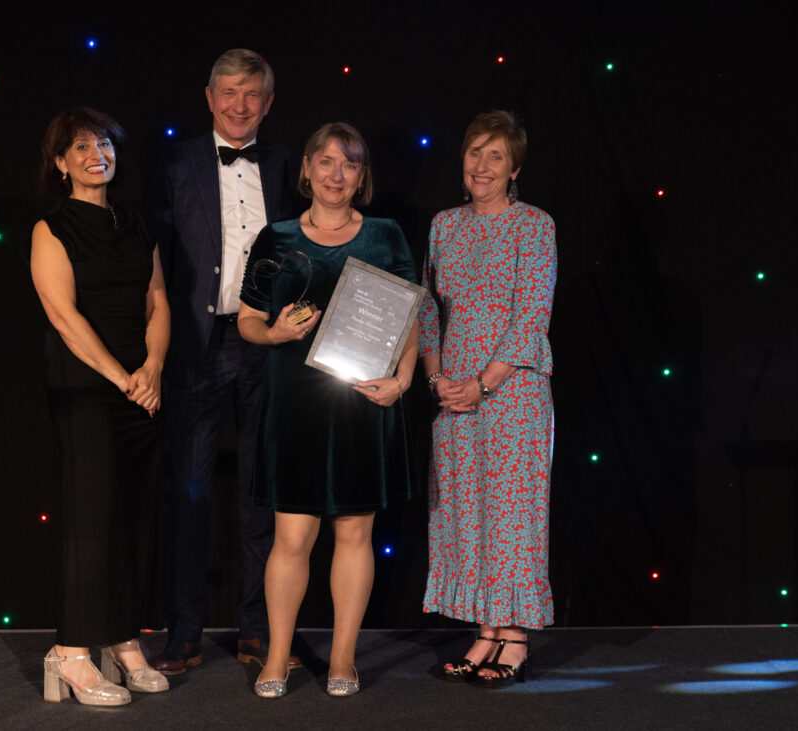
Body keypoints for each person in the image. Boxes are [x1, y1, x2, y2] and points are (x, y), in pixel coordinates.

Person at [237, 122, 419, 698]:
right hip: (295, 405)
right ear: (308, 168)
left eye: (351, 165)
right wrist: (275, 334)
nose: (338, 175)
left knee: (355, 533)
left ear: (361, 176)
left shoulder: (386, 234)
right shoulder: (277, 235)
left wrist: (405, 380)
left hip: (364, 402)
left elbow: (410, 315)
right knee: (291, 538)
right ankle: (279, 656)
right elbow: (247, 320)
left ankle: (343, 659)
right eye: (328, 162)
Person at [150, 49, 302, 676]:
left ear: (268, 103)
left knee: (259, 496)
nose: (240, 106)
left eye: (252, 95)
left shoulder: (294, 165)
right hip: (195, 342)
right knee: (188, 492)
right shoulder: (175, 162)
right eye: (229, 93)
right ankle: (183, 633)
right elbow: (152, 259)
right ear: (209, 97)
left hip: (269, 343)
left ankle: (258, 631)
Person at [30, 108, 171, 706]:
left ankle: (122, 638)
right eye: (81, 146)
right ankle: (71, 653)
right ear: (61, 162)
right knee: (91, 520)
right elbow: (63, 317)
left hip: (142, 385)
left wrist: (153, 370)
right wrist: (121, 377)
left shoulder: (137, 225)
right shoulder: (51, 226)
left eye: (105, 143)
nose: (97, 154)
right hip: (88, 386)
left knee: (133, 516)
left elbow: (158, 301)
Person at [420, 110, 556, 688]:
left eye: (495, 155)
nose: (482, 165)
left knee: (513, 513)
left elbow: (531, 317)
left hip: (514, 392)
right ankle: (485, 632)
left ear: (515, 167)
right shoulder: (444, 225)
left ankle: (515, 638)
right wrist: (437, 378)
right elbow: (427, 309)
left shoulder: (535, 226)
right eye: (475, 152)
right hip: (453, 394)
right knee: (466, 510)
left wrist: (484, 382)